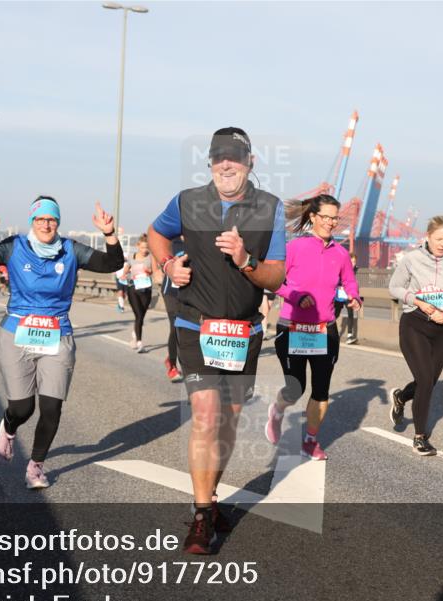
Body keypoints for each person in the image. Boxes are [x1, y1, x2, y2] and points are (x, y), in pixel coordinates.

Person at [147, 127, 286, 554]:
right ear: (209, 162)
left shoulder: (270, 208)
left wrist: (246, 261)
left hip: (243, 331)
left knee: (228, 421)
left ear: (250, 162)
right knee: (206, 416)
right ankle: (202, 514)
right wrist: (169, 265)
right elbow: (156, 234)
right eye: (218, 156)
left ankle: (211, 496)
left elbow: (277, 275)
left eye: (236, 156)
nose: (227, 163)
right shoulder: (188, 201)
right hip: (196, 324)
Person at [0, 197, 123, 489]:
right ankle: (8, 429)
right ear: (32, 222)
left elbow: (113, 263)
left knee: (51, 408)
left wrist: (109, 234)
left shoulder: (70, 250)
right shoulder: (14, 247)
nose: (47, 225)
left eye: (52, 220)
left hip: (57, 332)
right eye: (40, 220)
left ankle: (35, 467)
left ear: (57, 223)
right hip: (17, 332)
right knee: (23, 409)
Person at [265, 195, 360, 460]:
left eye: (335, 218)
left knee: (321, 390)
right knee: (296, 389)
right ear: (313, 217)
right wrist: (295, 296)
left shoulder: (340, 253)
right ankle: (278, 411)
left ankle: (310, 440)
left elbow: (349, 281)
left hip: (324, 329)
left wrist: (354, 296)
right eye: (327, 217)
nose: (331, 223)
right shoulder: (294, 247)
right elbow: (274, 282)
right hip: (292, 326)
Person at [388, 216, 443, 456]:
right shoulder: (412, 259)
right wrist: (417, 302)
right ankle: (420, 437)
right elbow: (394, 287)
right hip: (415, 323)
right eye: (439, 239)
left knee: (430, 382)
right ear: (428, 237)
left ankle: (401, 397)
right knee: (425, 380)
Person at [122, 234, 157, 353]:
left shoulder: (151, 258)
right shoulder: (132, 256)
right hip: (133, 288)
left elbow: (154, 270)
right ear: (138, 246)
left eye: (146, 248)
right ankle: (139, 342)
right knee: (138, 315)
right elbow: (127, 268)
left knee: (142, 315)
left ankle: (135, 332)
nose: (144, 250)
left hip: (146, 289)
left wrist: (149, 271)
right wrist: (123, 274)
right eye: (142, 248)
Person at [160, 238, 186, 383]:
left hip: (190, 292)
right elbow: (156, 253)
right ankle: (172, 365)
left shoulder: (197, 239)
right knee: (175, 326)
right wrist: (158, 272)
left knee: (187, 330)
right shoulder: (172, 242)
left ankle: (177, 360)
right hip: (171, 291)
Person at [334, 253, 360, 344]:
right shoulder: (341, 268)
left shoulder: (356, 269)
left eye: (354, 262)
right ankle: (328, 330)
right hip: (339, 294)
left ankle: (349, 335)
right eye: (351, 261)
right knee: (335, 314)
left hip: (348, 294)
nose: (353, 263)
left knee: (350, 313)